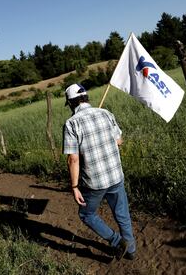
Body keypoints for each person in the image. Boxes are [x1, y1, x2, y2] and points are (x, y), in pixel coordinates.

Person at [62, 83, 136, 261]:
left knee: (86, 214)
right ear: (86, 98)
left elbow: (73, 159)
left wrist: (74, 186)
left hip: (95, 182)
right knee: (121, 212)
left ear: (71, 103)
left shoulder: (71, 123)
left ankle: (117, 242)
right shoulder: (106, 113)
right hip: (116, 175)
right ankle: (131, 249)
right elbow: (119, 141)